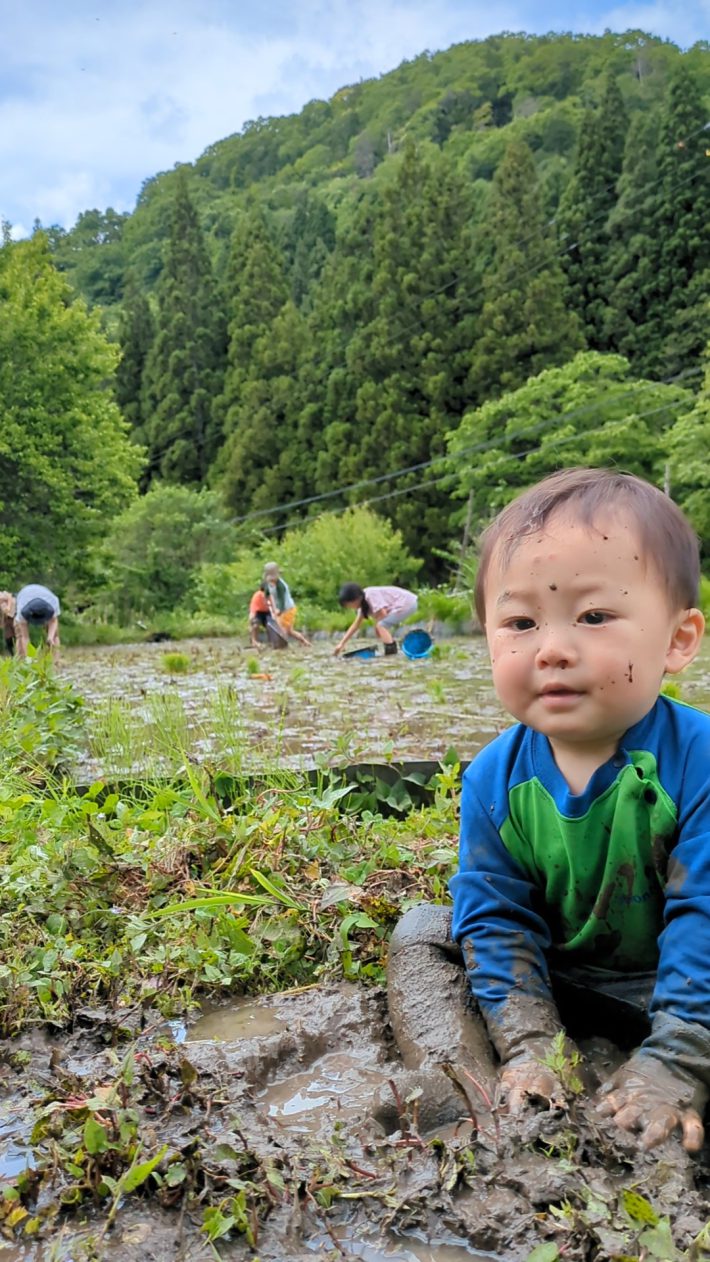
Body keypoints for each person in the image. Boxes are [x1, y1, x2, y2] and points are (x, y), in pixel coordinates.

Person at [384, 467, 710, 1154]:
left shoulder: (698, 760)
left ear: (679, 640)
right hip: (563, 984)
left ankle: (675, 1069)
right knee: (422, 930)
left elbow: (704, 912)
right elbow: (497, 916)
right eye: (521, 622)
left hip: (682, 986)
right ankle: (464, 1077)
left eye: (594, 616)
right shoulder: (491, 779)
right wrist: (533, 1043)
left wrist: (676, 1054)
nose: (552, 648)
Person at [334, 583, 417, 656]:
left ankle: (391, 652)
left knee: (381, 626)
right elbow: (356, 625)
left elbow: (383, 613)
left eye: (349, 604)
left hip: (407, 603)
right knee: (380, 627)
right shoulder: (362, 605)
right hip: (402, 605)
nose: (350, 607)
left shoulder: (370, 595)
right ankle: (393, 648)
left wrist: (377, 628)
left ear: (356, 598)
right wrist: (342, 643)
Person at [0, 585, 61, 658]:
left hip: (46, 601)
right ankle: (23, 661)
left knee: (54, 635)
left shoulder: (53, 602)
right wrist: (29, 658)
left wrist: (50, 637)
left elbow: (53, 621)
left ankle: (54, 661)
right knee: (20, 635)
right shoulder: (21, 609)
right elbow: (25, 638)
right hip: (25, 599)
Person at [262, 563, 310, 647]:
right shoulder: (267, 584)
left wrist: (279, 611)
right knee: (290, 631)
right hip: (280, 609)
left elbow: (281, 600)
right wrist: (267, 602)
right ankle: (305, 642)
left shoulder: (281, 586)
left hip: (288, 609)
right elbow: (266, 593)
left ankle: (282, 646)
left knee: (283, 629)